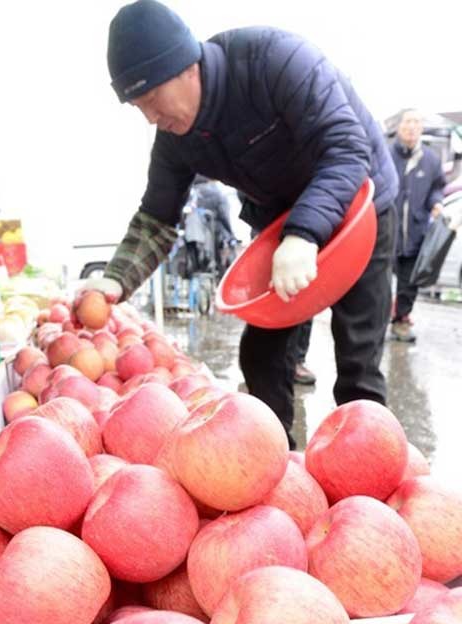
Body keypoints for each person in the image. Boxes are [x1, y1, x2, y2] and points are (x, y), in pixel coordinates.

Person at [86, 0, 398, 448]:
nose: (151, 117)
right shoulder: (176, 137)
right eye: (139, 107)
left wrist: (304, 233)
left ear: (186, 66)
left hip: (360, 203)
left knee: (358, 360)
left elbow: (347, 149)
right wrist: (115, 280)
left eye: (151, 99)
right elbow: (157, 217)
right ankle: (278, 467)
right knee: (262, 352)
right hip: (282, 221)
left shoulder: (274, 60)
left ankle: (371, 475)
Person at [390, 109, 445, 342]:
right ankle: (376, 320)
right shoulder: (385, 153)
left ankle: (401, 321)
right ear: (399, 126)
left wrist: (436, 202)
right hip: (387, 229)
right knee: (379, 281)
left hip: (416, 230)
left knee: (409, 281)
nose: (412, 126)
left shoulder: (431, 159)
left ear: (421, 128)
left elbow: (437, 187)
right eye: (408, 121)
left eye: (416, 122)